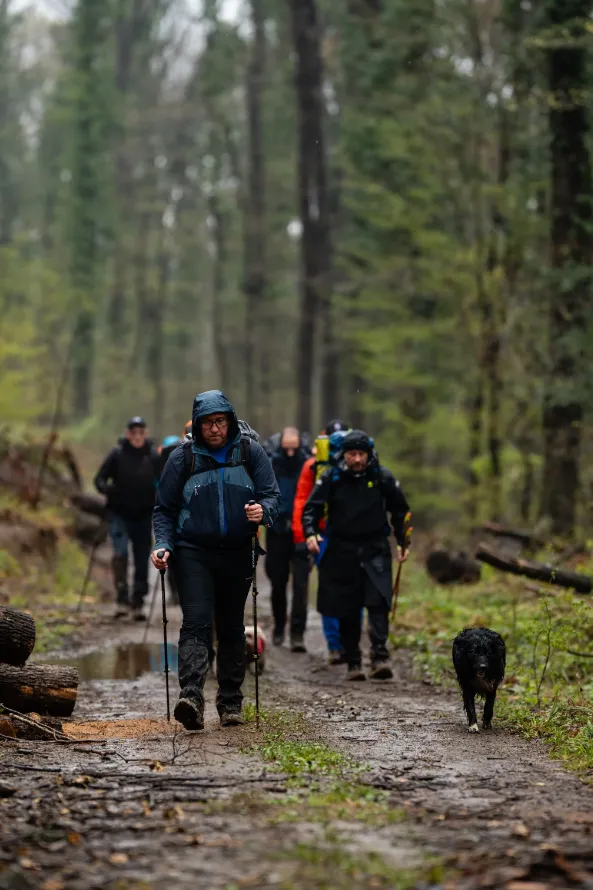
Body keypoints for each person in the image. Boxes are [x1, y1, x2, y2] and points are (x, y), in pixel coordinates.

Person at [152, 390, 280, 730]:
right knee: (196, 621)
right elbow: (164, 509)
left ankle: (230, 702)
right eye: (207, 423)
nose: (214, 429)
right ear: (197, 424)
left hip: (238, 552)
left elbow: (272, 495)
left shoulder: (250, 452)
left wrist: (263, 511)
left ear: (230, 421)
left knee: (231, 625)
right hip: (193, 551)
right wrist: (163, 544)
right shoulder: (182, 458)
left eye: (220, 421)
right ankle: (191, 697)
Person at [302, 430, 410, 681]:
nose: (358, 459)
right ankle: (353, 661)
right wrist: (310, 533)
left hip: (375, 548)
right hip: (342, 550)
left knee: (379, 602)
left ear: (369, 454)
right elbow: (311, 508)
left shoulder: (382, 476)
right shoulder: (332, 477)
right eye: (352, 454)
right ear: (344, 455)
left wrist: (403, 541)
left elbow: (399, 509)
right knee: (347, 607)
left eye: (362, 454)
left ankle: (380, 656)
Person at [292, 420, 350, 663]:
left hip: (337, 535)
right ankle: (337, 644)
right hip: (323, 535)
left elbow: (301, 502)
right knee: (331, 589)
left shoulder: (354, 466)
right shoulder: (314, 466)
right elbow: (303, 502)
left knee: (340, 590)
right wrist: (302, 536)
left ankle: (342, 644)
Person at [94, 417, 159, 620]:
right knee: (120, 553)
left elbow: (165, 480)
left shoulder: (152, 456)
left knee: (142, 558)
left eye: (141, 432)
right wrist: (109, 491)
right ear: (127, 434)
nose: (137, 436)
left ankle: (138, 602)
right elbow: (99, 479)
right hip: (119, 513)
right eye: (133, 432)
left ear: (146, 434)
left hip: (144, 514)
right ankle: (122, 598)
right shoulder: (117, 454)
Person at [265, 427, 309, 650]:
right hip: (277, 531)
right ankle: (279, 627)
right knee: (278, 582)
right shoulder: (271, 464)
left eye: (294, 448)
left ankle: (297, 633)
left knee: (301, 584)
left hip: (302, 532)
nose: (290, 452)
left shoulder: (308, 464)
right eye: (286, 448)